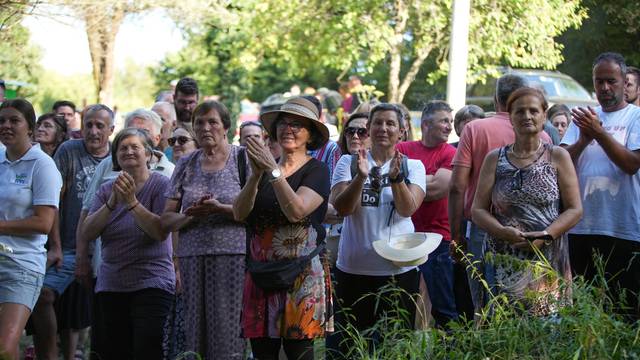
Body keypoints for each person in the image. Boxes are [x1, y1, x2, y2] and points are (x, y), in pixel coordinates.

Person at [233, 97, 331, 360]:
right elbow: (239, 213)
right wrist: (256, 175)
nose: (288, 129)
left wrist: (273, 172)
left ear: (310, 134)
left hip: (300, 276)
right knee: (262, 353)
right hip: (260, 274)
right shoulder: (260, 168)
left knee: (299, 354)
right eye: (283, 123)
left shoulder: (318, 170)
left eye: (297, 124)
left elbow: (296, 210)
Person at [472, 87, 582, 314]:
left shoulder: (558, 156)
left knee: (547, 333)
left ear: (544, 115)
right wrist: (503, 232)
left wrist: (546, 235)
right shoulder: (495, 159)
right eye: (519, 111)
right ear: (510, 117)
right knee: (501, 334)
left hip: (547, 258)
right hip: (502, 257)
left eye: (533, 110)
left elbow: (574, 209)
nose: (527, 116)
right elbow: (478, 210)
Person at [449, 75, 551, 315]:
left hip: (484, 227)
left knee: (483, 302)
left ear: (496, 98)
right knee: (528, 303)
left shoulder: (475, 128)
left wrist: (455, 234)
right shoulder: (543, 136)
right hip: (532, 232)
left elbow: (457, 186)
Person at [330, 103, 426, 357]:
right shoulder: (348, 163)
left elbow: (407, 209)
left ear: (402, 131)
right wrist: (360, 178)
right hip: (352, 269)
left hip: (399, 271)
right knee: (349, 346)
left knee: (395, 346)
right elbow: (342, 208)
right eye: (377, 123)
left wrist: (395, 180)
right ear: (369, 129)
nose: (383, 128)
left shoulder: (413, 167)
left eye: (390, 123)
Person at [161, 101, 247, 359]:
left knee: (228, 331)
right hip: (191, 257)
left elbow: (254, 214)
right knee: (194, 332)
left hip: (232, 256)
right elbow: (166, 219)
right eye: (199, 122)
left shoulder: (242, 159)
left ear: (226, 128)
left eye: (212, 122)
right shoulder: (186, 163)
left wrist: (220, 209)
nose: (205, 127)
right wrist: (190, 215)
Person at [82, 128, 175, 359]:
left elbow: (160, 231)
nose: (129, 151)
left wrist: (132, 202)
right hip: (112, 284)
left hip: (152, 281)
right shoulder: (106, 190)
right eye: (123, 148)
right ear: (116, 157)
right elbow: (87, 232)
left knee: (147, 348)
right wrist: (113, 201)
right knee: (114, 352)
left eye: (135, 147)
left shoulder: (162, 185)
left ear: (148, 154)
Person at [31, 104, 114, 360]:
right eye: (88, 124)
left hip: (107, 252)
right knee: (42, 294)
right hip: (67, 247)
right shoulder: (69, 151)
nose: (93, 130)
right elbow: (53, 201)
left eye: (100, 125)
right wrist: (54, 247)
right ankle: (49, 354)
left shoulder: (117, 157)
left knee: (103, 313)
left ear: (111, 130)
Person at [561, 52, 640, 319]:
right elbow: (562, 164)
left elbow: (631, 165)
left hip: (624, 228)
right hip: (583, 226)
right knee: (586, 308)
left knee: (625, 309)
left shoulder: (635, 118)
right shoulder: (582, 119)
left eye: (611, 81)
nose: (605, 88)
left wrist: (599, 133)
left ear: (623, 81)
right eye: (599, 81)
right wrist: (584, 139)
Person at [0, 99, 62, 360]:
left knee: (4, 348)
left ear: (30, 128)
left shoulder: (43, 165)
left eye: (14, 120)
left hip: (21, 265)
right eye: (2, 121)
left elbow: (43, 223)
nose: (6, 126)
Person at [397, 100, 458, 327]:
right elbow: (388, 185)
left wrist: (405, 183)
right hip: (403, 235)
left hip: (438, 238)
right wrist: (424, 181)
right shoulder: (403, 149)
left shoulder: (450, 152)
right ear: (425, 124)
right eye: (444, 121)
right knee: (402, 301)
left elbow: (436, 189)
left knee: (443, 305)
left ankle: (448, 349)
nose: (449, 126)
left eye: (450, 121)